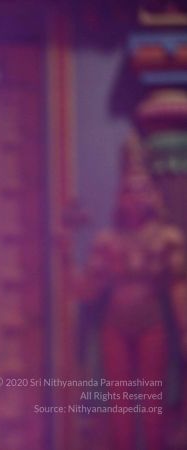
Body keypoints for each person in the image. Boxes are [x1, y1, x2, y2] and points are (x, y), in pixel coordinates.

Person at [79, 137, 186, 450]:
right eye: (129, 190)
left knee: (154, 403)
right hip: (114, 326)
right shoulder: (107, 241)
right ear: (120, 197)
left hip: (151, 323)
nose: (135, 197)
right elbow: (88, 290)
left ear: (153, 195)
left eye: (142, 189)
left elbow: (178, 287)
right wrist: (63, 256)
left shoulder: (167, 238)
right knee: (120, 406)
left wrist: (185, 329)